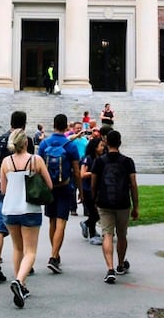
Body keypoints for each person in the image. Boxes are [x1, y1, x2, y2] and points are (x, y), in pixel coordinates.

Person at [0, 128, 52, 308]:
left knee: (17, 248)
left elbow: (3, 189)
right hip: (30, 208)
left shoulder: (6, 162)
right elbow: (49, 184)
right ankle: (19, 281)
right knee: (30, 251)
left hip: (10, 208)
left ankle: (21, 284)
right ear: (26, 142)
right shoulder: (35, 160)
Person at [0, 110, 33, 285]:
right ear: (24, 123)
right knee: (23, 229)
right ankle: (24, 264)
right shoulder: (25, 141)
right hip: (21, 192)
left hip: (0, 189)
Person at [89, 130, 139, 284]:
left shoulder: (99, 161)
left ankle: (110, 268)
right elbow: (133, 185)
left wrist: (94, 197)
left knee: (107, 235)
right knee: (122, 235)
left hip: (104, 202)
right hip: (123, 202)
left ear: (106, 143)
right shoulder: (127, 161)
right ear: (120, 142)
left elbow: (93, 183)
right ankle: (120, 264)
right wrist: (135, 205)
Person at [37, 113, 81, 274]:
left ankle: (55, 252)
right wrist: (80, 190)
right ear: (66, 127)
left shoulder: (44, 143)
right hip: (65, 187)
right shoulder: (70, 145)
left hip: (49, 188)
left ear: (54, 125)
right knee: (62, 222)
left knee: (52, 222)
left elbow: (39, 167)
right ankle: (54, 256)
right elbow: (76, 172)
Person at [79, 136, 104, 245]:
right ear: (95, 147)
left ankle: (90, 228)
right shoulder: (87, 158)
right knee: (95, 213)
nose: (103, 148)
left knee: (96, 212)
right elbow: (82, 174)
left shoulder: (102, 158)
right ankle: (91, 232)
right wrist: (94, 172)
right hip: (87, 189)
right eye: (101, 146)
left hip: (98, 189)